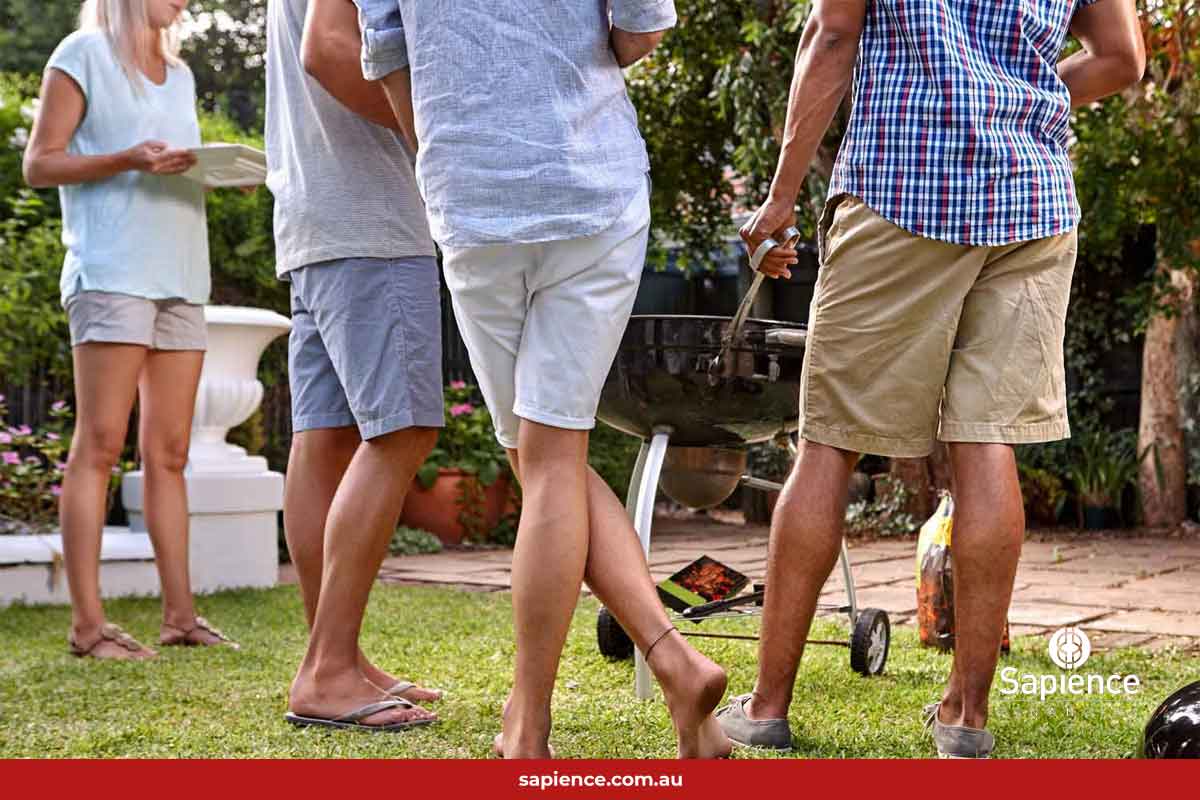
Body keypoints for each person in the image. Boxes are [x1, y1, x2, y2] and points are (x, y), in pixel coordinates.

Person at [717, 0, 1146, 757]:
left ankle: (766, 706)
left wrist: (780, 200)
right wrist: (1014, 101)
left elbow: (833, 32)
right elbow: (1122, 59)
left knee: (829, 444)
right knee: (987, 442)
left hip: (902, 186)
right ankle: (965, 719)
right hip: (1030, 198)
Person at [343, 0, 732, 758]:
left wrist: (450, 156)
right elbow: (643, 26)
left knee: (541, 457)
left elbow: (386, 52)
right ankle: (673, 664)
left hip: (473, 201)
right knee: (551, 455)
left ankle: (532, 725)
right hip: (591, 188)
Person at [22, 0, 238, 660]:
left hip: (183, 275)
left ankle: (181, 617)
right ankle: (88, 627)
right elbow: (40, 163)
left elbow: (175, 165)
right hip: (113, 271)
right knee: (99, 444)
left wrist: (221, 174)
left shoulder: (181, 74)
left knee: (169, 453)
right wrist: (127, 159)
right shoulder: (81, 54)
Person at [265, 0, 443, 731]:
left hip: (317, 215)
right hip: (372, 217)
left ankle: (332, 656)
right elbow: (329, 49)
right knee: (402, 431)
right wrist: (436, 140)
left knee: (326, 439)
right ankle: (329, 668)